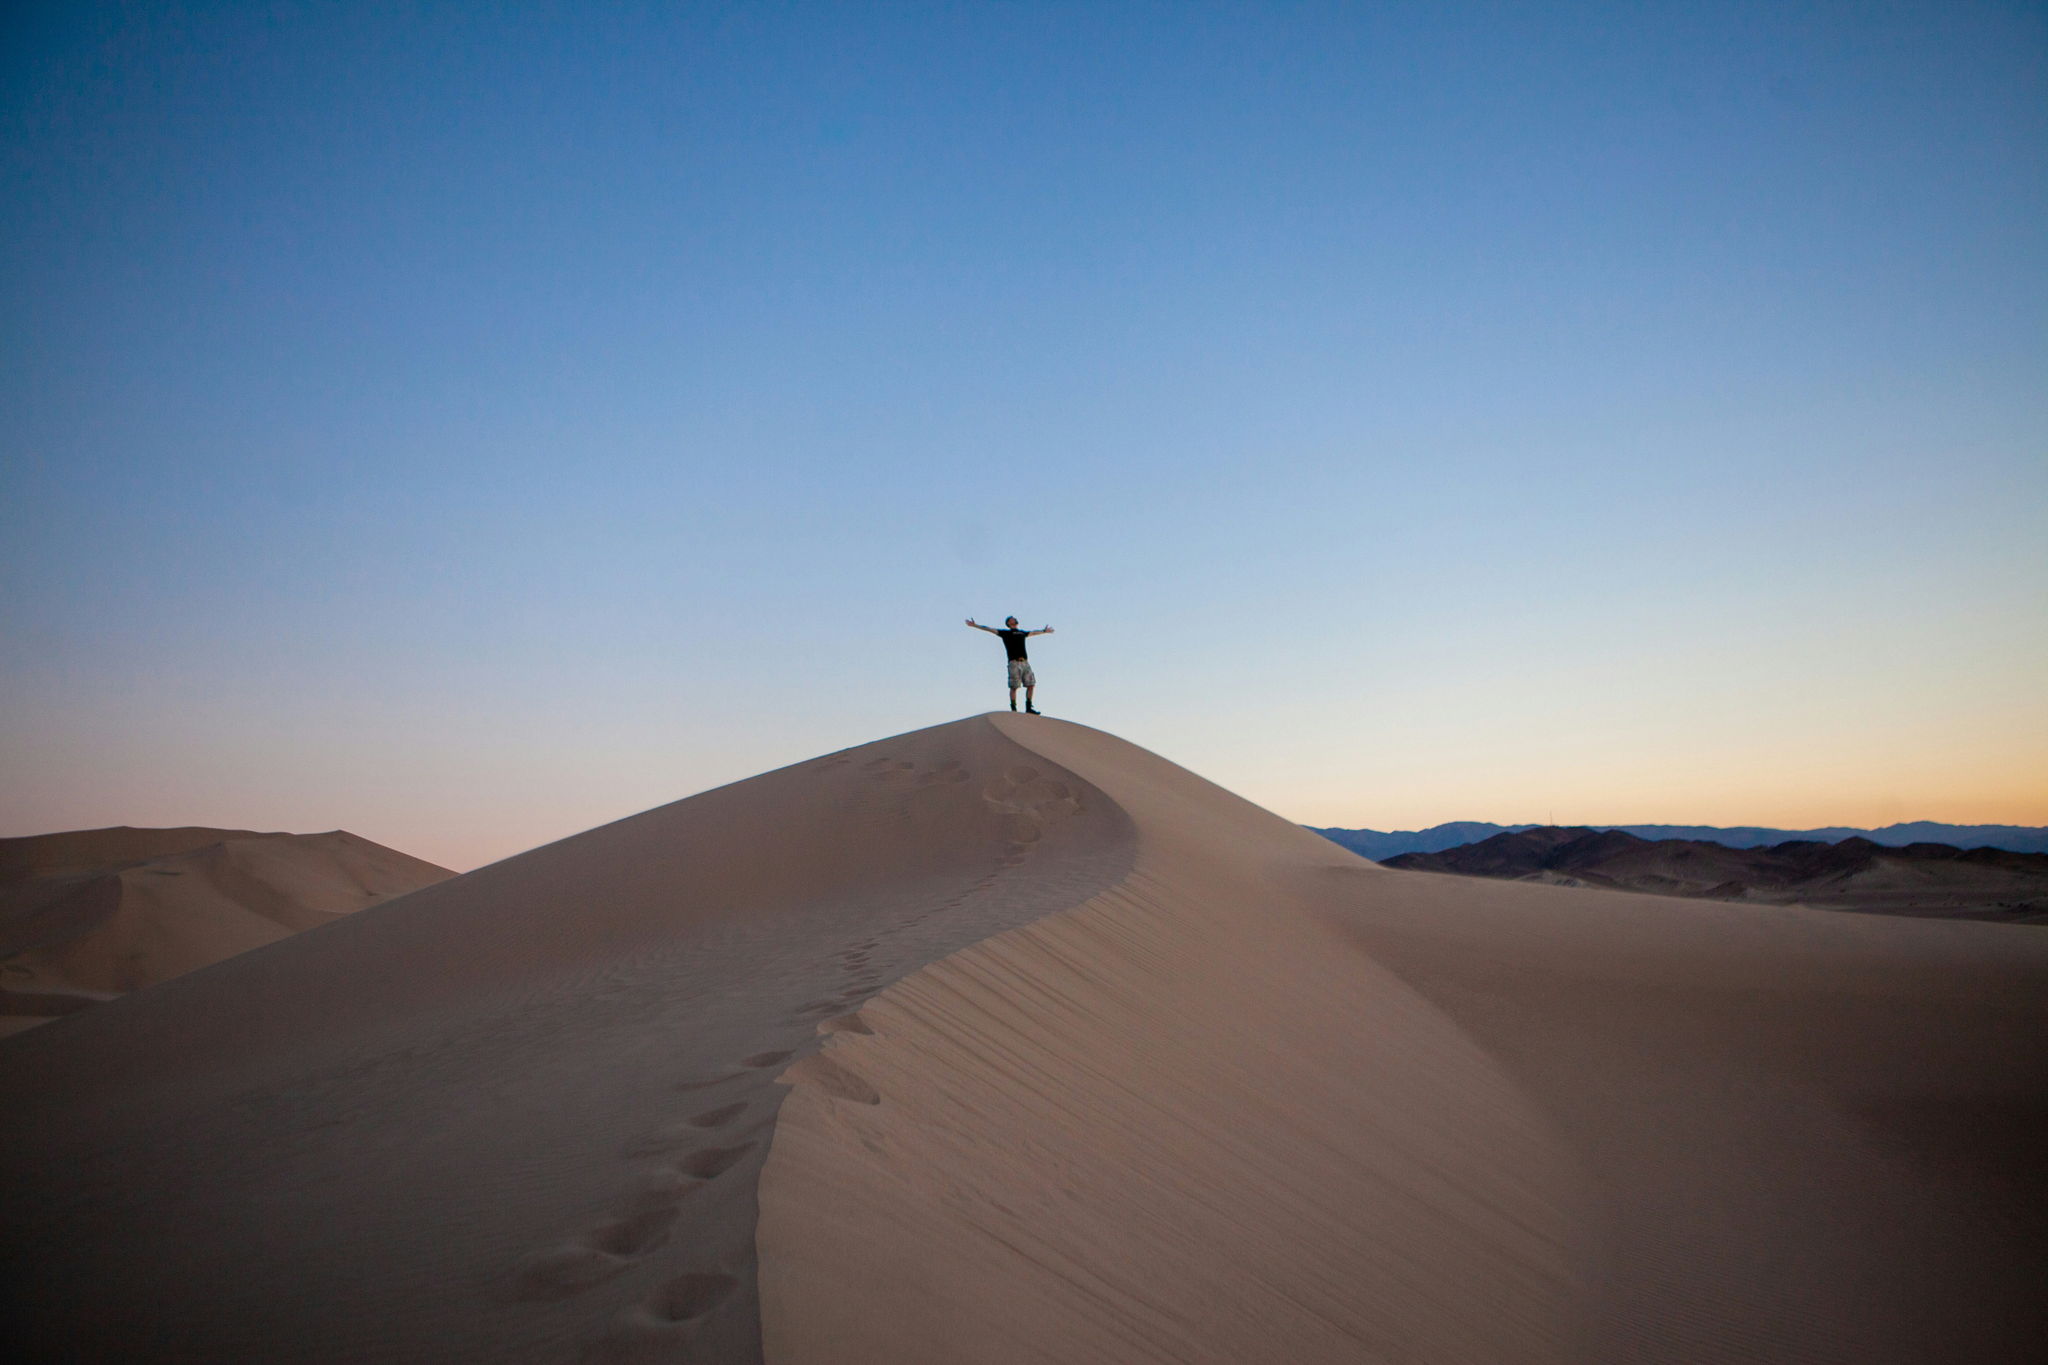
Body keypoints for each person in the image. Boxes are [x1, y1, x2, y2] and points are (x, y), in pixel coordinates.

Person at [965, 615, 1054, 713]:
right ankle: (1014, 709)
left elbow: (1033, 632)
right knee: (1014, 687)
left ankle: (1029, 707)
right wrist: (975, 625)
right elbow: (989, 629)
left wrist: (1044, 631)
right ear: (1008, 623)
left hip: (1025, 662)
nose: (1014, 619)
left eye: (1014, 618)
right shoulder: (1005, 633)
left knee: (1031, 685)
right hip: (1013, 663)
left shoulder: (1022, 633)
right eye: (1011, 619)